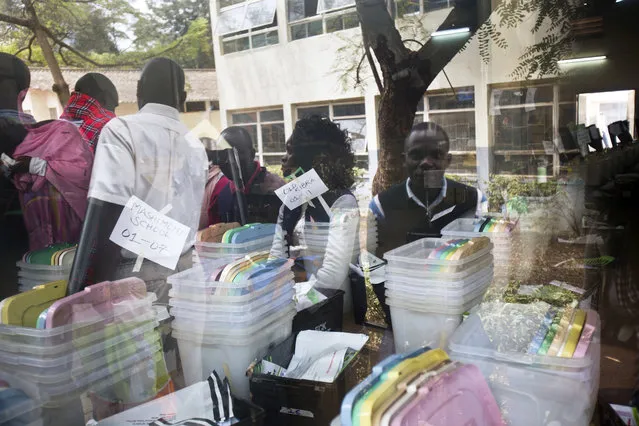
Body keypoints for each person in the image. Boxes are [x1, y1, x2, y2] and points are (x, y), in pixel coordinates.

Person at [68, 58, 208, 303]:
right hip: (187, 271)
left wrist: (92, 290)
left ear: (138, 90)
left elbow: (107, 208)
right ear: (183, 97)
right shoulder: (195, 145)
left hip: (137, 275)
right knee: (177, 341)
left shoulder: (122, 129)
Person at [369, 122, 485, 324]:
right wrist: (391, 314)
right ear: (404, 160)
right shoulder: (382, 205)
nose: (426, 162)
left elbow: (481, 262)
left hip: (457, 309)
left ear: (447, 160)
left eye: (436, 155)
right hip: (405, 310)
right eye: (416, 155)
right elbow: (375, 267)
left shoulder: (473, 201)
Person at [269, 115, 360, 312]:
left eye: (291, 151)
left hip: (335, 306)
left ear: (318, 160)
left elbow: (333, 275)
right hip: (299, 300)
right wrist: (271, 297)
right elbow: (276, 256)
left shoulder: (343, 202)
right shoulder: (292, 200)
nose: (284, 158)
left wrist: (298, 305)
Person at [202, 126, 285, 226]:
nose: (230, 160)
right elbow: (213, 235)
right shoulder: (221, 192)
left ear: (252, 154)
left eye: (236, 153)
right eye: (222, 154)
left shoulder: (275, 189)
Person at [60, 73, 118, 151]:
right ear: (105, 98)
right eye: (113, 106)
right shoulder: (109, 125)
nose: (114, 113)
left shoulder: (56, 125)